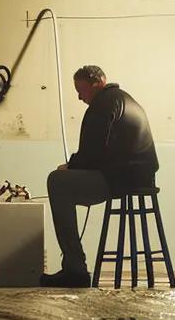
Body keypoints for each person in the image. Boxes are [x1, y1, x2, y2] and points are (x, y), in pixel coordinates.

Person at [42, 65, 160, 288]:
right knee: (64, 180)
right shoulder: (125, 99)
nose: (79, 97)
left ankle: (75, 269)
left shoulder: (103, 103)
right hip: (139, 177)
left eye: (81, 90)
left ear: (96, 84)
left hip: (119, 179)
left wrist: (70, 166)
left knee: (56, 181)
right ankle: (74, 267)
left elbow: (92, 151)